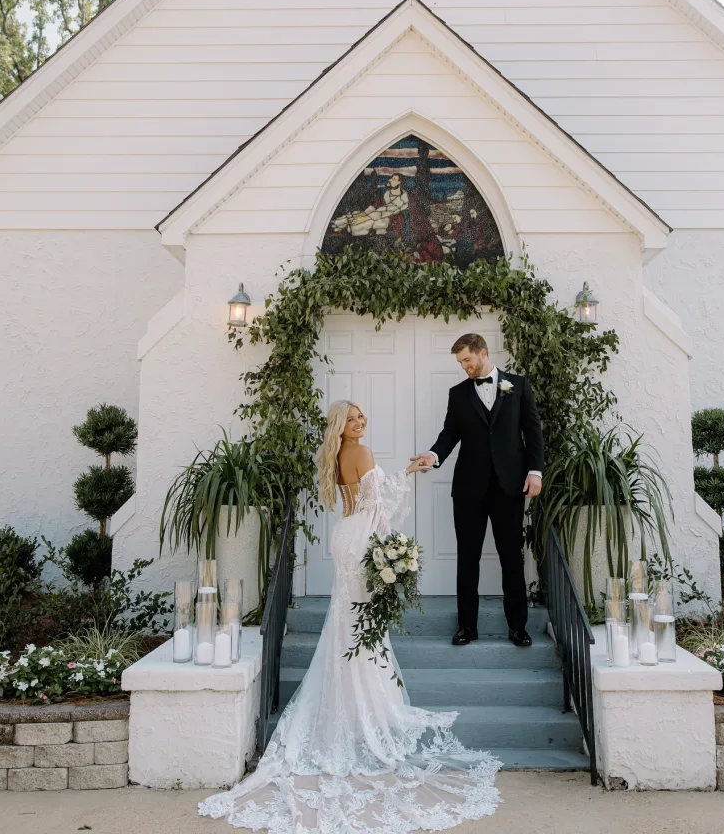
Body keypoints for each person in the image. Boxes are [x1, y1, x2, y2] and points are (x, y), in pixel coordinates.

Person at [199, 400, 502, 832]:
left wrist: (404, 475)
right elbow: (380, 507)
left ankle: (349, 702)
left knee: (348, 622)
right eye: (352, 418)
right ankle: (366, 710)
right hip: (361, 541)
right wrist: (394, 532)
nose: (360, 422)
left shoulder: (337, 454)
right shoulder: (361, 451)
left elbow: (360, 501)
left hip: (344, 536)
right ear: (341, 426)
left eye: (361, 416)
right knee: (363, 622)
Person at [412, 334, 544, 648]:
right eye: (460, 362)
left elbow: (532, 431)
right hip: (469, 489)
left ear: (483, 353)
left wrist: (535, 472)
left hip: (509, 487)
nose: (464, 367)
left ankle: (518, 627)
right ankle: (466, 627)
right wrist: (432, 455)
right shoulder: (458, 394)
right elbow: (449, 433)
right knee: (467, 558)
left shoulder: (518, 385)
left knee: (511, 558)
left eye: (467, 360)